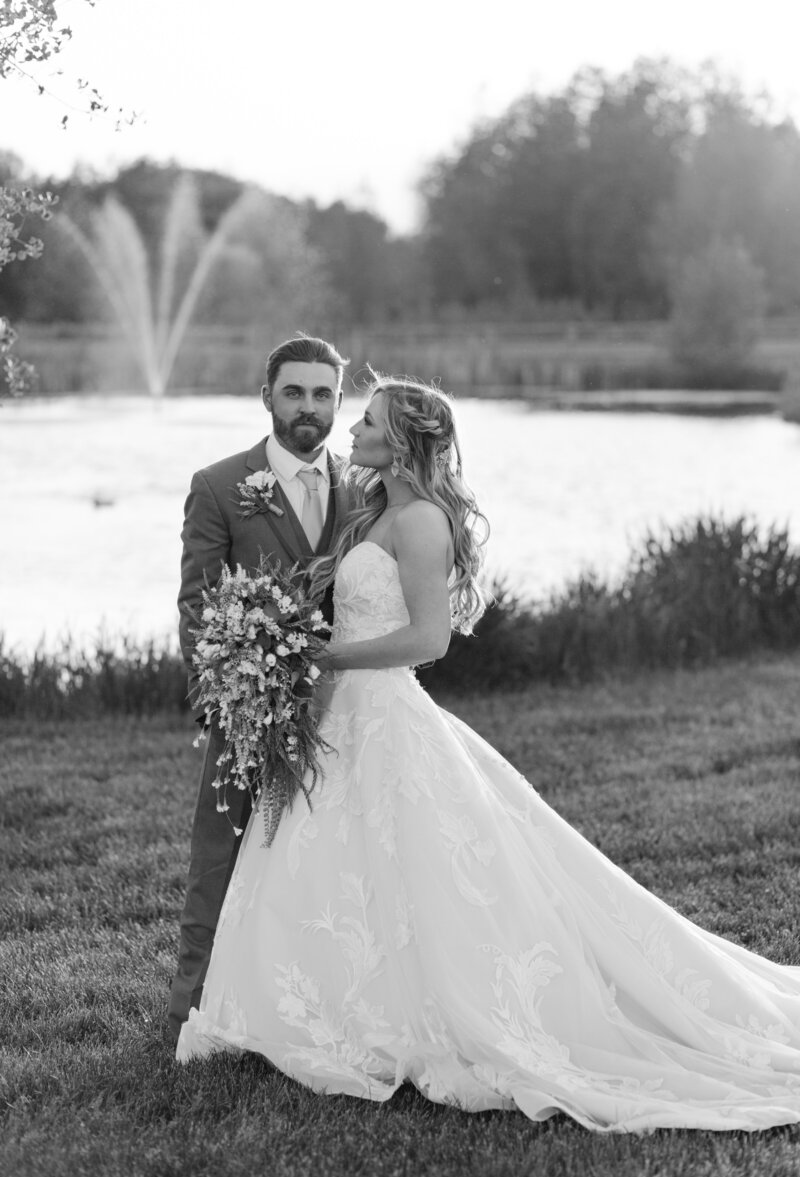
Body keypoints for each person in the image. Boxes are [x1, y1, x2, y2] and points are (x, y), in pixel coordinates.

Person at [176, 376, 800, 1133]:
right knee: (331, 860)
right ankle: (307, 1004)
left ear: (400, 440)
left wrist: (322, 661)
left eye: (368, 421)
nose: (353, 430)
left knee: (415, 869)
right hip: (345, 716)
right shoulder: (380, 510)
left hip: (380, 709)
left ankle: (408, 1015)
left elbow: (429, 640)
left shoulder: (423, 523)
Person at [168, 334, 353, 1043]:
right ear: (267, 396)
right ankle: (192, 1012)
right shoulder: (219, 486)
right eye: (294, 392)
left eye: (322, 394)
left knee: (337, 858)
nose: (308, 408)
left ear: (339, 401)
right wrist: (231, 697)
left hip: (352, 709)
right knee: (221, 854)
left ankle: (321, 1006)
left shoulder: (365, 488)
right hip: (252, 709)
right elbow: (198, 606)